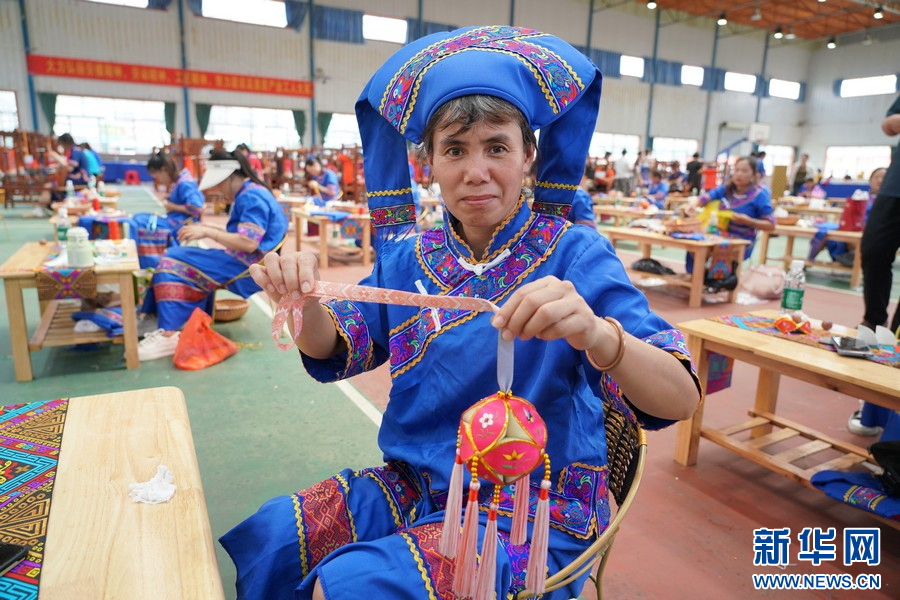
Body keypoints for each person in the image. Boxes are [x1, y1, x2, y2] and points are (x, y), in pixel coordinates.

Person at [221, 25, 701, 600]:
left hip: (531, 510)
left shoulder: (576, 254)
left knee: (348, 589)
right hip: (415, 484)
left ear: (528, 156)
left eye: (497, 147)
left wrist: (601, 336)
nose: (476, 171)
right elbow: (335, 348)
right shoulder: (408, 258)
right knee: (275, 538)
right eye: (454, 150)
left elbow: (680, 399)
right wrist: (301, 303)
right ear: (428, 163)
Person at [137, 150, 288, 361]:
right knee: (173, 253)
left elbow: (248, 243)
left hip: (248, 265)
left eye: (220, 184)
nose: (218, 190)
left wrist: (209, 232)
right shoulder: (252, 192)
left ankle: (168, 333)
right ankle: (159, 319)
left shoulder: (251, 196)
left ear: (231, 177)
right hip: (243, 259)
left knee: (171, 261)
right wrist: (208, 228)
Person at [686, 156, 775, 274]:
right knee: (694, 243)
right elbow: (706, 197)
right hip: (718, 234)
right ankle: (695, 277)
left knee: (713, 246)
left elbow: (770, 225)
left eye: (744, 171)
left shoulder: (760, 195)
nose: (739, 174)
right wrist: (694, 204)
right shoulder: (726, 189)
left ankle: (710, 278)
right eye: (736, 170)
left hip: (742, 241)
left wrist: (749, 221)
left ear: (754, 175)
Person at [860, 92, 900, 335]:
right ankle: (875, 320)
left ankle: (897, 331)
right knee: (873, 250)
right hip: (895, 186)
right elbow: (888, 125)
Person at [132, 151, 206, 269]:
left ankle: (152, 264)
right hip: (173, 220)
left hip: (179, 224)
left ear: (164, 170)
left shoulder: (185, 183)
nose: (159, 181)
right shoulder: (179, 181)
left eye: (157, 177)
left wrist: (172, 206)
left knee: (139, 222)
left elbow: (197, 208)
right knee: (138, 218)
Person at [808, 168, 886, 267]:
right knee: (824, 230)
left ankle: (856, 258)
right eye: (876, 177)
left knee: (861, 237)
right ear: (870, 180)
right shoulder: (861, 196)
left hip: (874, 234)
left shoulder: (889, 201)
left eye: (883, 177)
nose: (880, 180)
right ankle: (810, 260)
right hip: (854, 228)